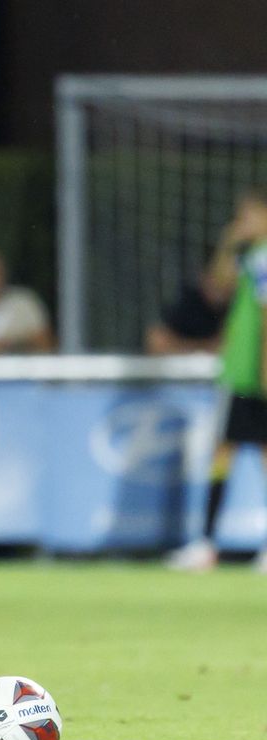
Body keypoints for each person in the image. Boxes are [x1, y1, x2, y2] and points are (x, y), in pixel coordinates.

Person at [166, 187, 267, 572]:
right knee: (238, 454)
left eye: (249, 217)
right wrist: (229, 241)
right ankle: (208, 543)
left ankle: (206, 543)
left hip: (251, 374)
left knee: (230, 454)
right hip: (244, 372)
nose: (242, 224)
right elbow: (216, 287)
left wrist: (263, 370)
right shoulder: (251, 256)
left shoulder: (263, 260)